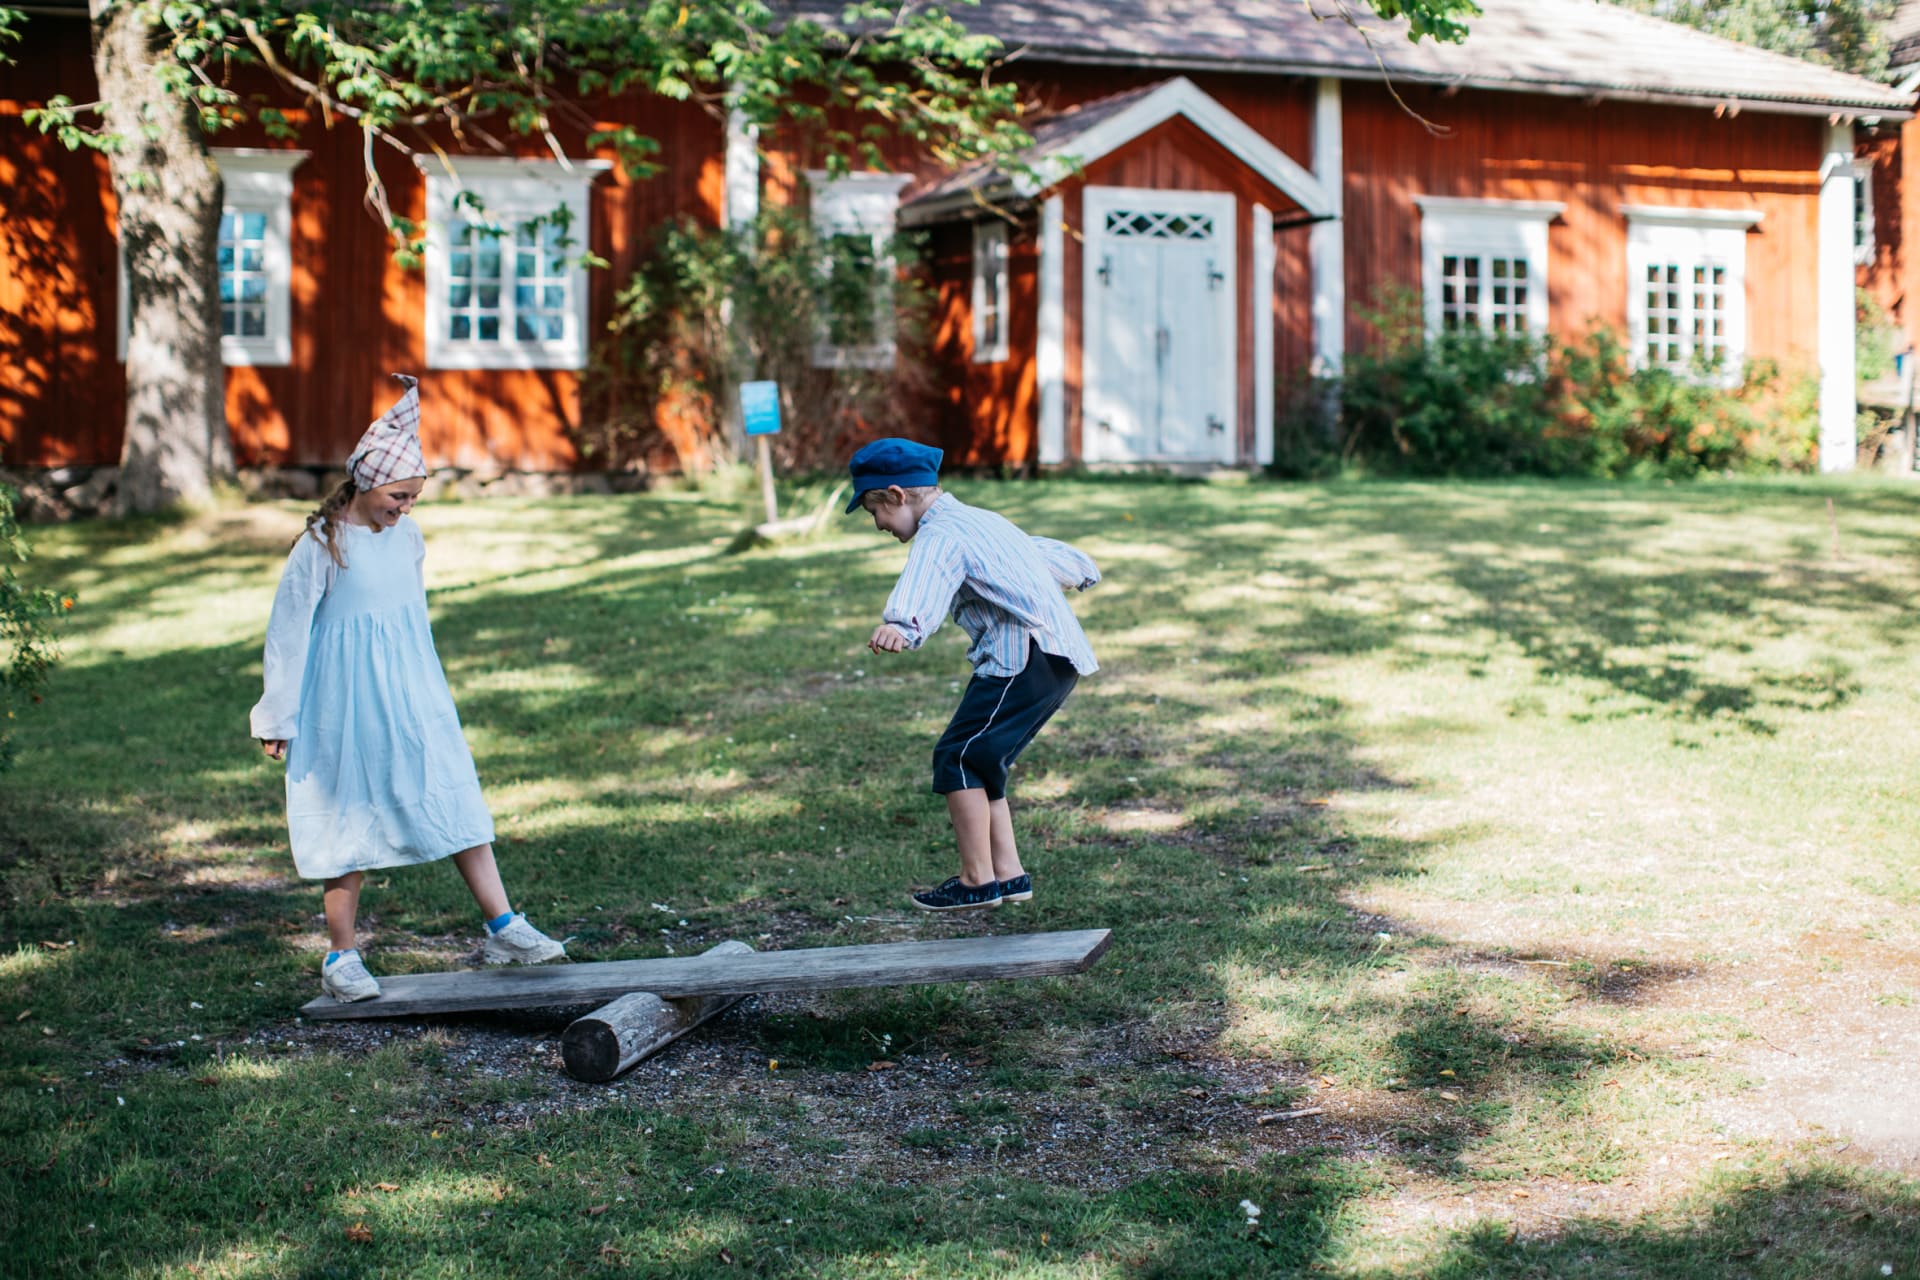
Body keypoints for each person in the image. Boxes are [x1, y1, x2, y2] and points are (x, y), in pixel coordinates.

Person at [249, 374, 566, 1002]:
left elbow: (410, 619)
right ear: (368, 483)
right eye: (399, 495)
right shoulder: (323, 545)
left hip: (410, 689)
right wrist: (277, 716)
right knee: (346, 816)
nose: (405, 509)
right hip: (341, 701)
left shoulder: (408, 537)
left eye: (414, 498)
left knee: (453, 790)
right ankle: (342, 958)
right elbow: (287, 632)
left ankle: (503, 924)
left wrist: (427, 685)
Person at [848, 438, 1100, 911]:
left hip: (1022, 657)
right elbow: (1049, 558)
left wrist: (901, 624)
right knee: (983, 761)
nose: (879, 524)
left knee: (957, 757)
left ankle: (975, 880)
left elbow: (929, 575)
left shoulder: (940, 536)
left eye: (874, 511)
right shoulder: (982, 519)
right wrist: (1078, 571)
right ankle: (1008, 874)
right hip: (1055, 659)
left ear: (898, 495)